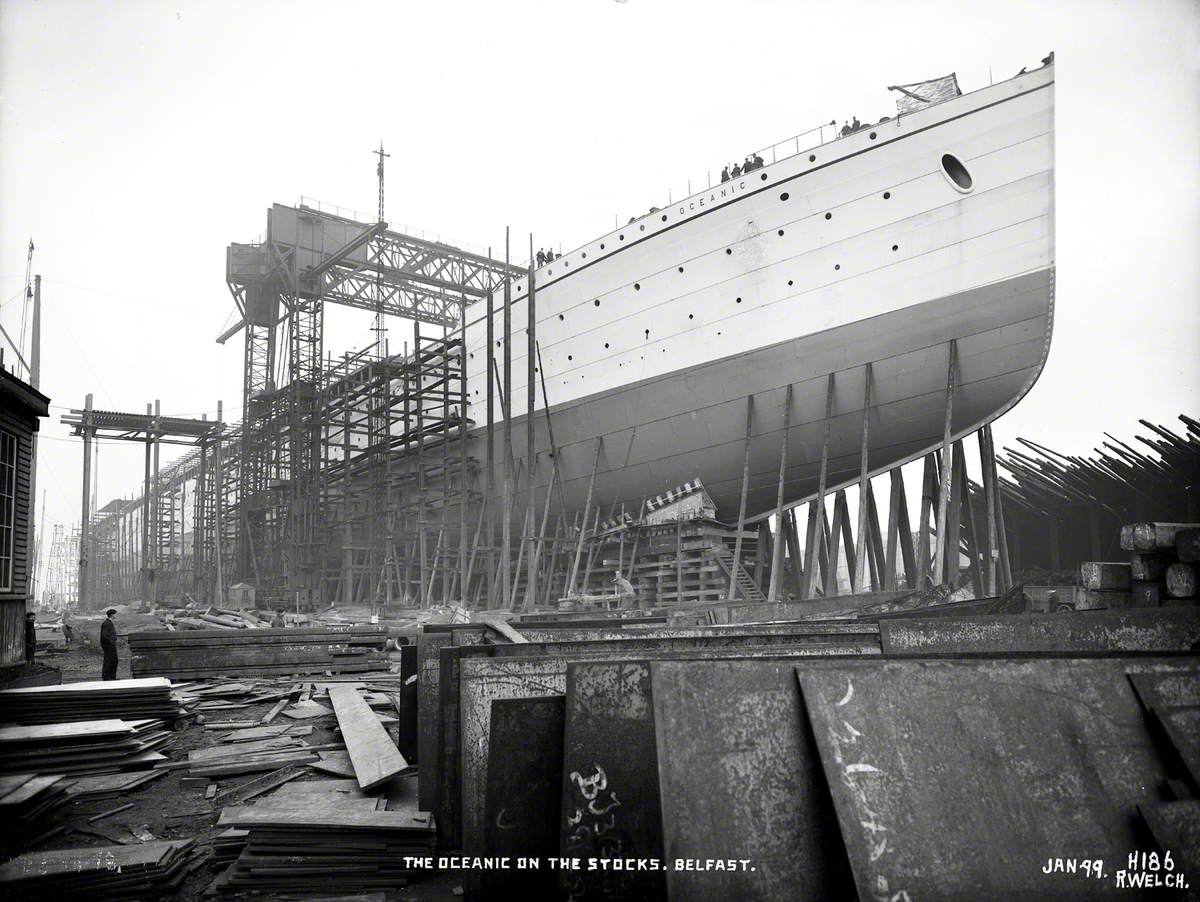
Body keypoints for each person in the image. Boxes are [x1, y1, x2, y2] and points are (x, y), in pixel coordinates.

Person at [101, 608, 119, 680]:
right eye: (115, 614)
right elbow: (104, 635)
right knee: (109, 660)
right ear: (112, 615)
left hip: (110, 645)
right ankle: (107, 677)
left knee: (114, 660)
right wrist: (111, 641)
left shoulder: (109, 623)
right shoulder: (107, 623)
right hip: (108, 646)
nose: (116, 616)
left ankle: (112, 677)